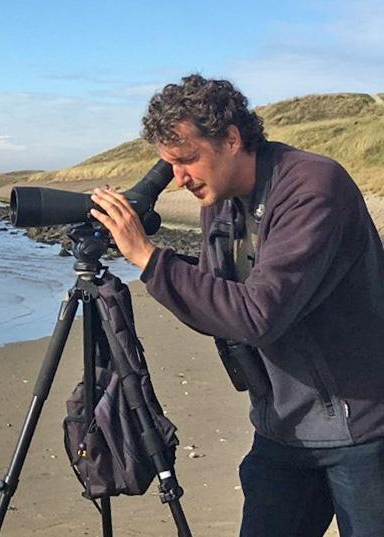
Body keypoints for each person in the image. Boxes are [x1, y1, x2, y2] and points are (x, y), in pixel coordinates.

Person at [89, 74, 384, 536]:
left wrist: (149, 259)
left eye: (187, 160)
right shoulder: (220, 200)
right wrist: (159, 266)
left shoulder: (312, 186)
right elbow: (218, 300)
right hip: (283, 425)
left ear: (231, 139)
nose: (180, 179)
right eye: (170, 165)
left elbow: (257, 314)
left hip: (362, 427)